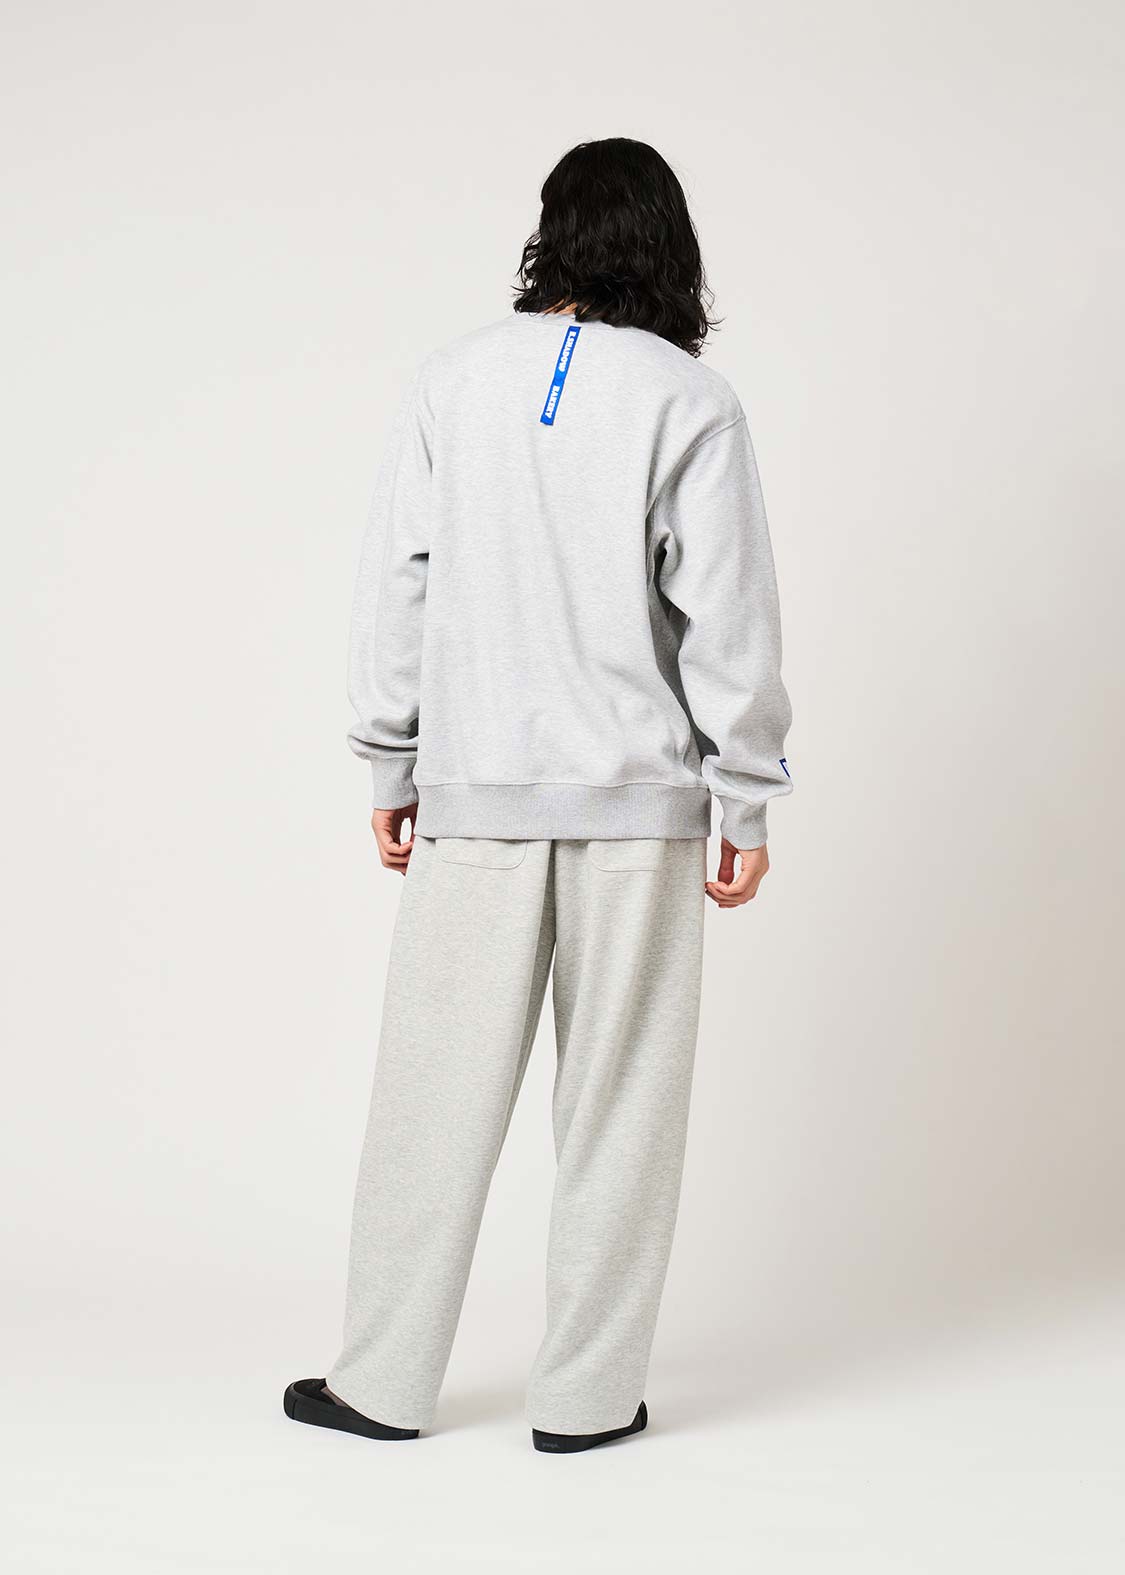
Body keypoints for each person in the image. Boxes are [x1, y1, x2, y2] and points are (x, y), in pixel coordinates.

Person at [284, 137, 792, 1454]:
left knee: (429, 1099)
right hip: (641, 809)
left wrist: (390, 760)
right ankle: (587, 1400)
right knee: (621, 1105)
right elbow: (728, 619)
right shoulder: (690, 398)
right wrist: (743, 797)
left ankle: (381, 1384)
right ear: (669, 246)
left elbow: (397, 583)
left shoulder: (453, 380)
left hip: (475, 801)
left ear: (549, 234)